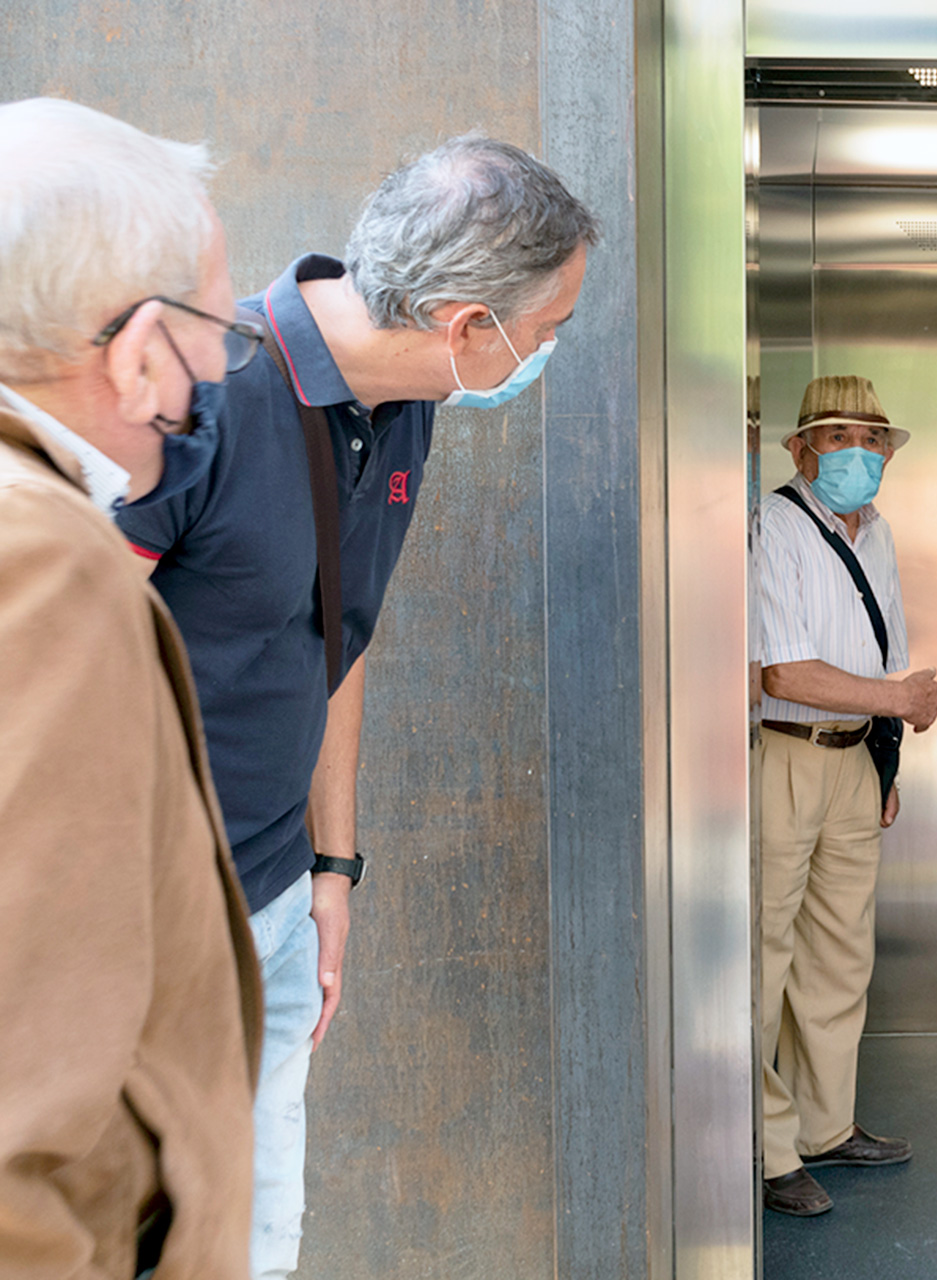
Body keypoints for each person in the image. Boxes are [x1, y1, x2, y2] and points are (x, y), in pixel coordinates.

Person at [115, 135, 598, 1278]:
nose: (553, 350)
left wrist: (336, 868)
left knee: (261, 1228)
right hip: (162, 919)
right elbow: (51, 665)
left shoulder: (404, 402)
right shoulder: (201, 396)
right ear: (467, 323)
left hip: (281, 890)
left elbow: (340, 631)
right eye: (552, 328)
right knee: (153, 1234)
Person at [0, 97, 263, 1278]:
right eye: (214, 323)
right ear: (139, 344)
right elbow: (23, 1091)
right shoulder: (45, 558)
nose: (219, 365)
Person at [753, 375, 937, 1217]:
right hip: (786, 757)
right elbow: (783, 671)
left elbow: (883, 659)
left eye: (872, 441)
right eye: (839, 440)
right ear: (801, 450)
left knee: (839, 955)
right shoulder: (776, 526)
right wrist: (896, 704)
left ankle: (824, 1130)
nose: (859, 456)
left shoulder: (879, 535)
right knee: (764, 958)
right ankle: (763, 1148)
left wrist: (886, 764)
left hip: (852, 763)